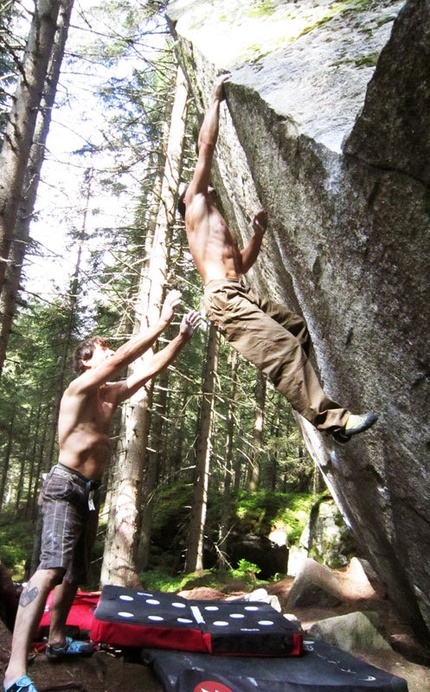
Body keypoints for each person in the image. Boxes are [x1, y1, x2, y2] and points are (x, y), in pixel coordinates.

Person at [3, 290, 200, 692]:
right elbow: (123, 358)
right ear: (86, 361)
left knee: (76, 572)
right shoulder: (77, 389)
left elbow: (146, 372)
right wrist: (161, 320)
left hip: (90, 491)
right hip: (63, 485)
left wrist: (179, 337)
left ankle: (57, 640)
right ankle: (14, 672)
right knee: (51, 568)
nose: (108, 349)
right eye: (102, 348)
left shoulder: (108, 396)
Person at [178, 75, 377, 443]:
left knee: (297, 329)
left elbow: (241, 263)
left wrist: (257, 233)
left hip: (239, 291)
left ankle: (320, 408)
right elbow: (206, 147)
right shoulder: (195, 207)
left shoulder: (216, 220)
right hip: (223, 299)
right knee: (282, 348)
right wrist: (215, 100)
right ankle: (333, 418)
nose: (205, 185)